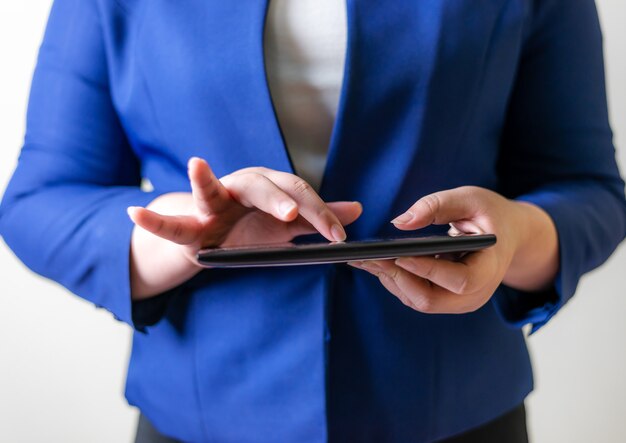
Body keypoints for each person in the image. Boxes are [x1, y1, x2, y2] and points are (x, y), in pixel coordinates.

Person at [1, 0, 625, 441]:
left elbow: (587, 189)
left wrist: (514, 235)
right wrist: (182, 229)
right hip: (205, 414)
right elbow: (40, 201)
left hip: (452, 412)